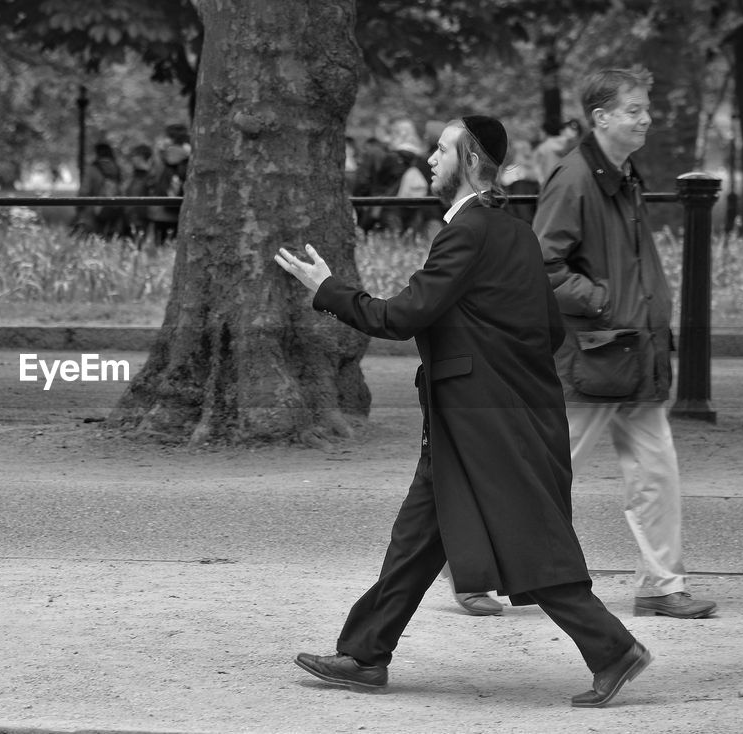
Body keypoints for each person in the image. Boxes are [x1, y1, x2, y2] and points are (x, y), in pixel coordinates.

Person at [274, 115, 652, 707]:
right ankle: (366, 654)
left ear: (472, 160)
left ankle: (613, 650)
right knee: (417, 538)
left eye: (443, 149)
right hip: (481, 414)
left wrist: (328, 288)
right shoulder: (512, 231)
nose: (430, 158)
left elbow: (402, 317)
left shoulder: (467, 232)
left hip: (486, 420)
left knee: (529, 540)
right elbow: (548, 330)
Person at [532, 68, 718, 620]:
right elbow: (541, 264)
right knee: (545, 473)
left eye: (645, 108)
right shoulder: (574, 179)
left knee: (656, 472)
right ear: (601, 117)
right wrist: (605, 302)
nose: (646, 118)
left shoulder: (622, 174)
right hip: (594, 357)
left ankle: (661, 585)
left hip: (633, 355)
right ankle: (471, 558)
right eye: (634, 109)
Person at [146, 124, 191, 248]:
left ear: (170, 138)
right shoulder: (192, 154)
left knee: (160, 248)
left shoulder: (160, 156)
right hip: (182, 209)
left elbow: (151, 178)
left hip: (160, 209)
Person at [72, 141, 125, 239]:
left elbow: (84, 191)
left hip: (92, 212)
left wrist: (79, 207)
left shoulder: (92, 169)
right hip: (114, 211)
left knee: (92, 241)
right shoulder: (117, 168)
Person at [534, 118, 581, 183]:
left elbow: (537, 169)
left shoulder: (543, 147)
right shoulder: (573, 146)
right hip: (569, 182)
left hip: (550, 183)